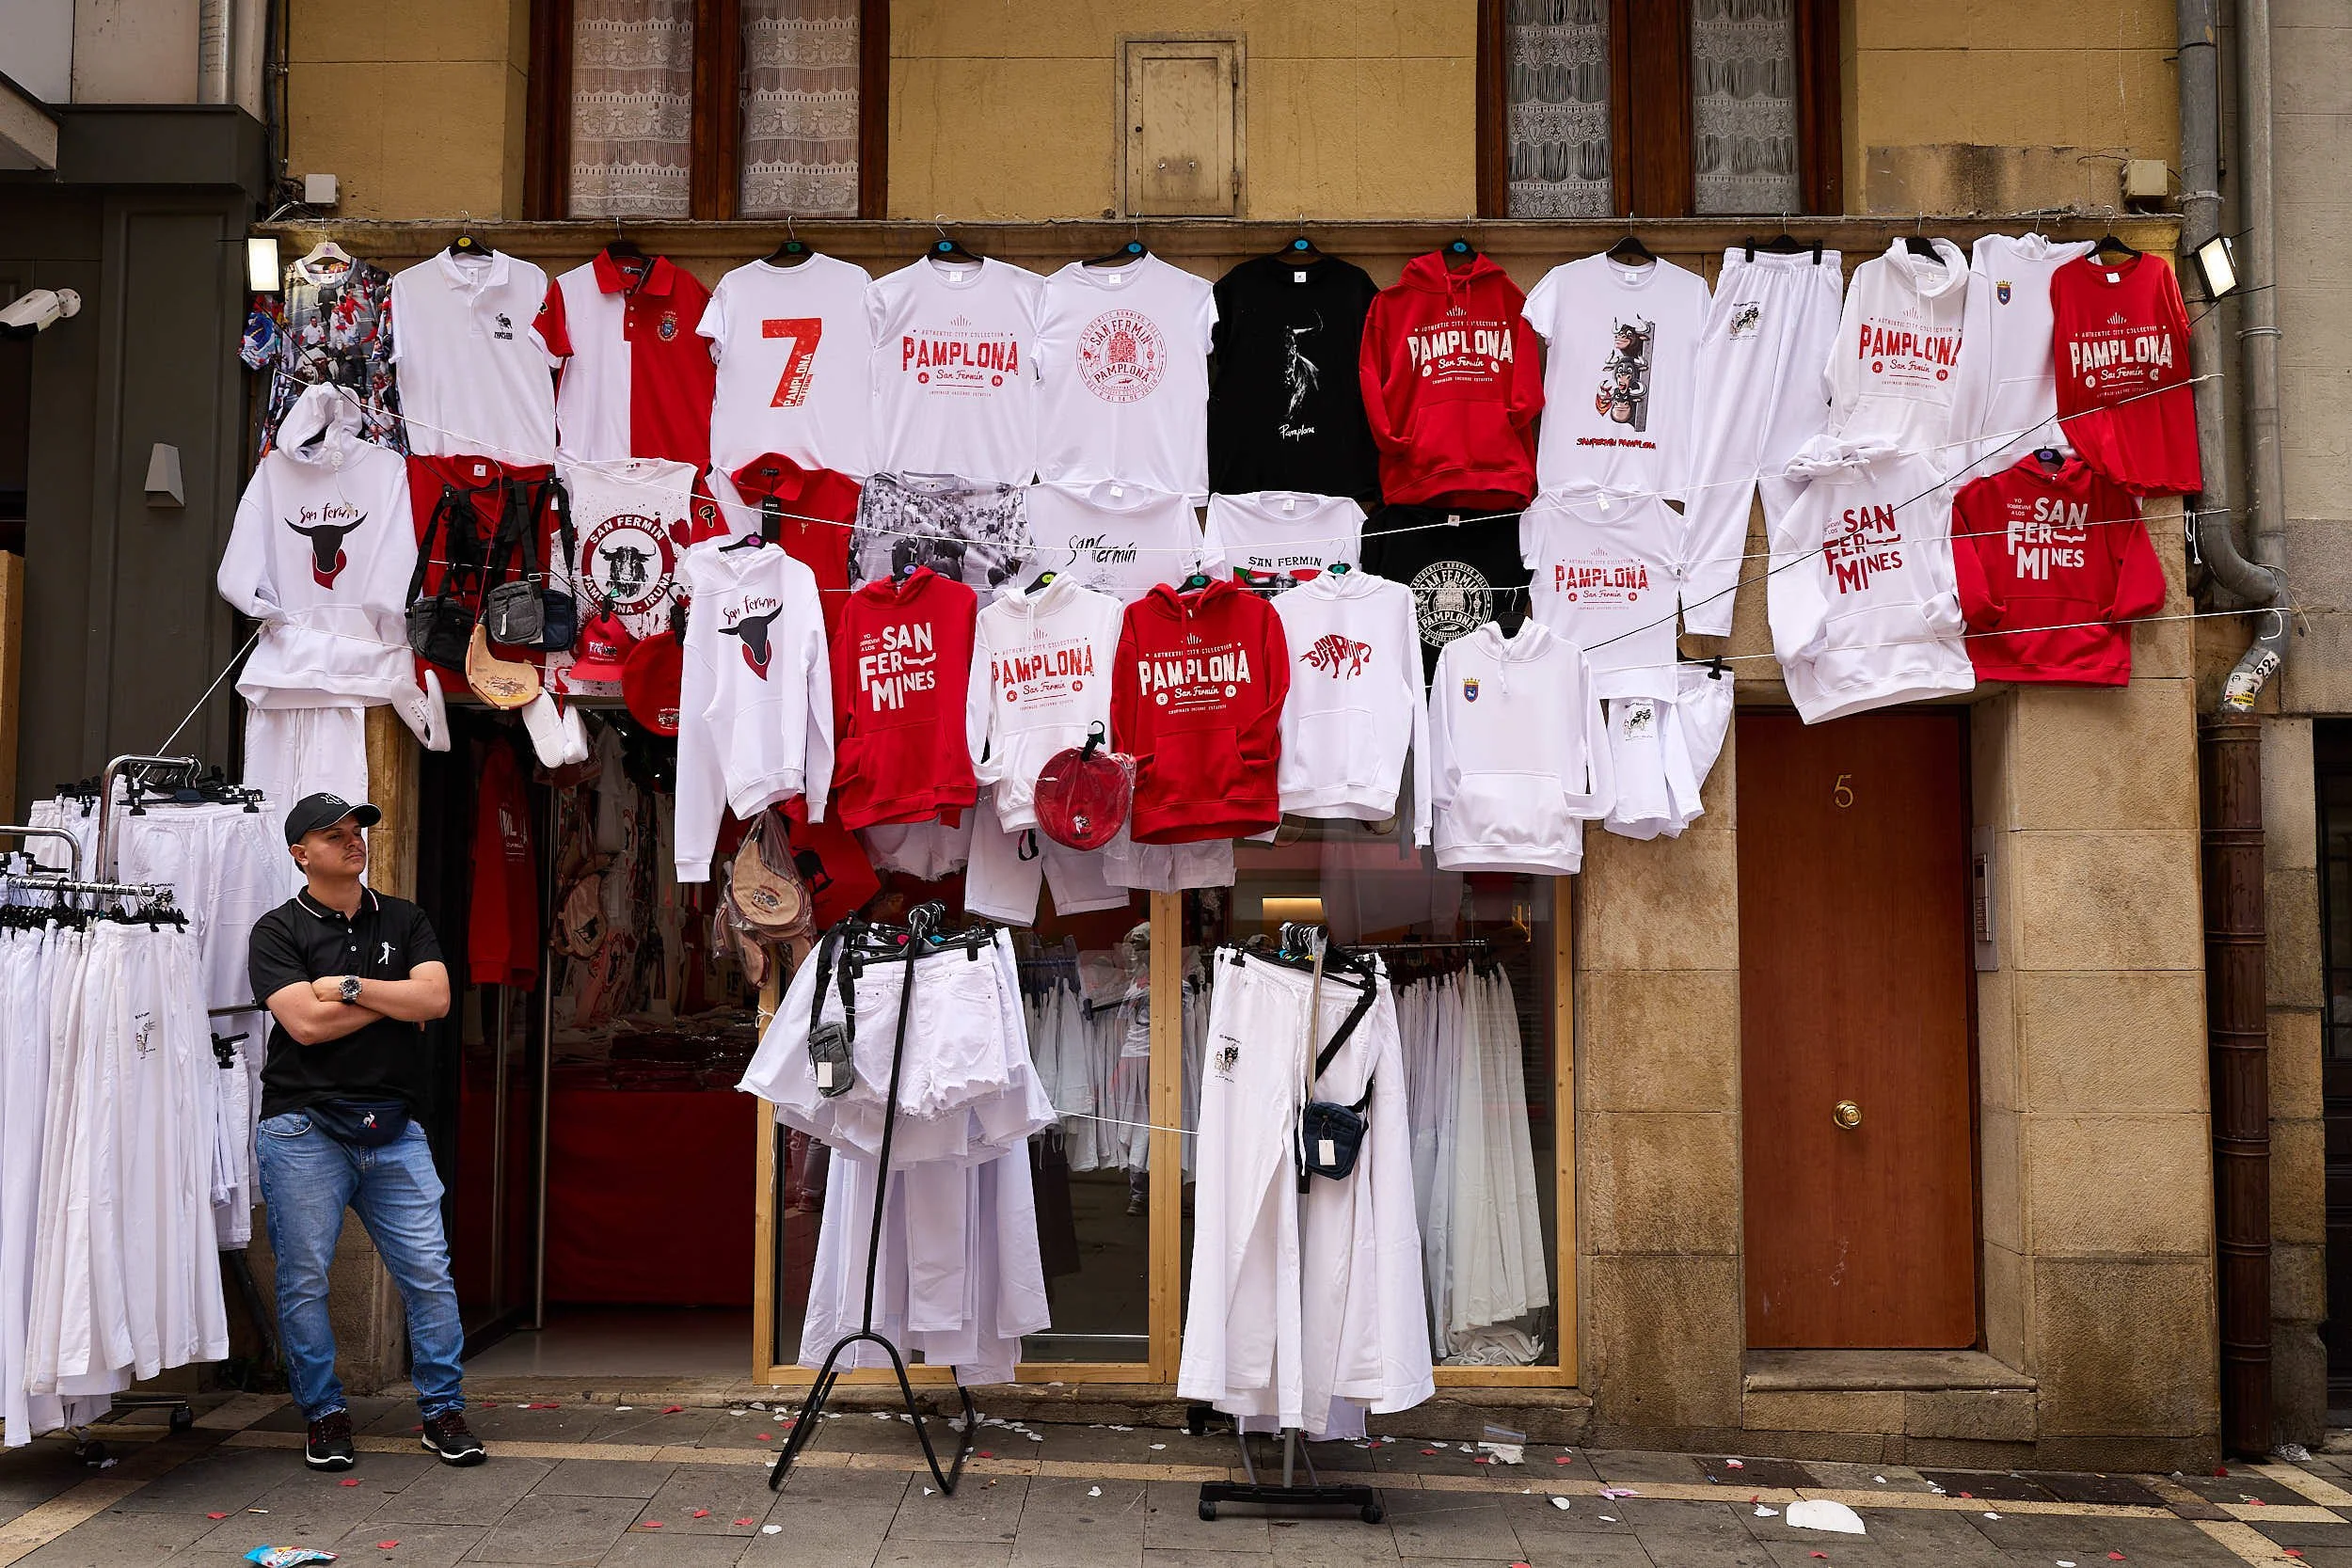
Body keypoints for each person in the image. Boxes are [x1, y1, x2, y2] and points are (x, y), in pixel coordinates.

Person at [248, 792, 485, 1471]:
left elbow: (435, 999)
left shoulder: (405, 918)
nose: (353, 840)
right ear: (301, 852)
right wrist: (389, 997)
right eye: (334, 833)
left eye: (357, 830)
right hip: (303, 1128)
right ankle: (324, 1415)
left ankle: (443, 1410)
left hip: (395, 1124)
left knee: (430, 1276)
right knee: (303, 1280)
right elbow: (304, 1025)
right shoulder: (276, 930)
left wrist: (346, 985)